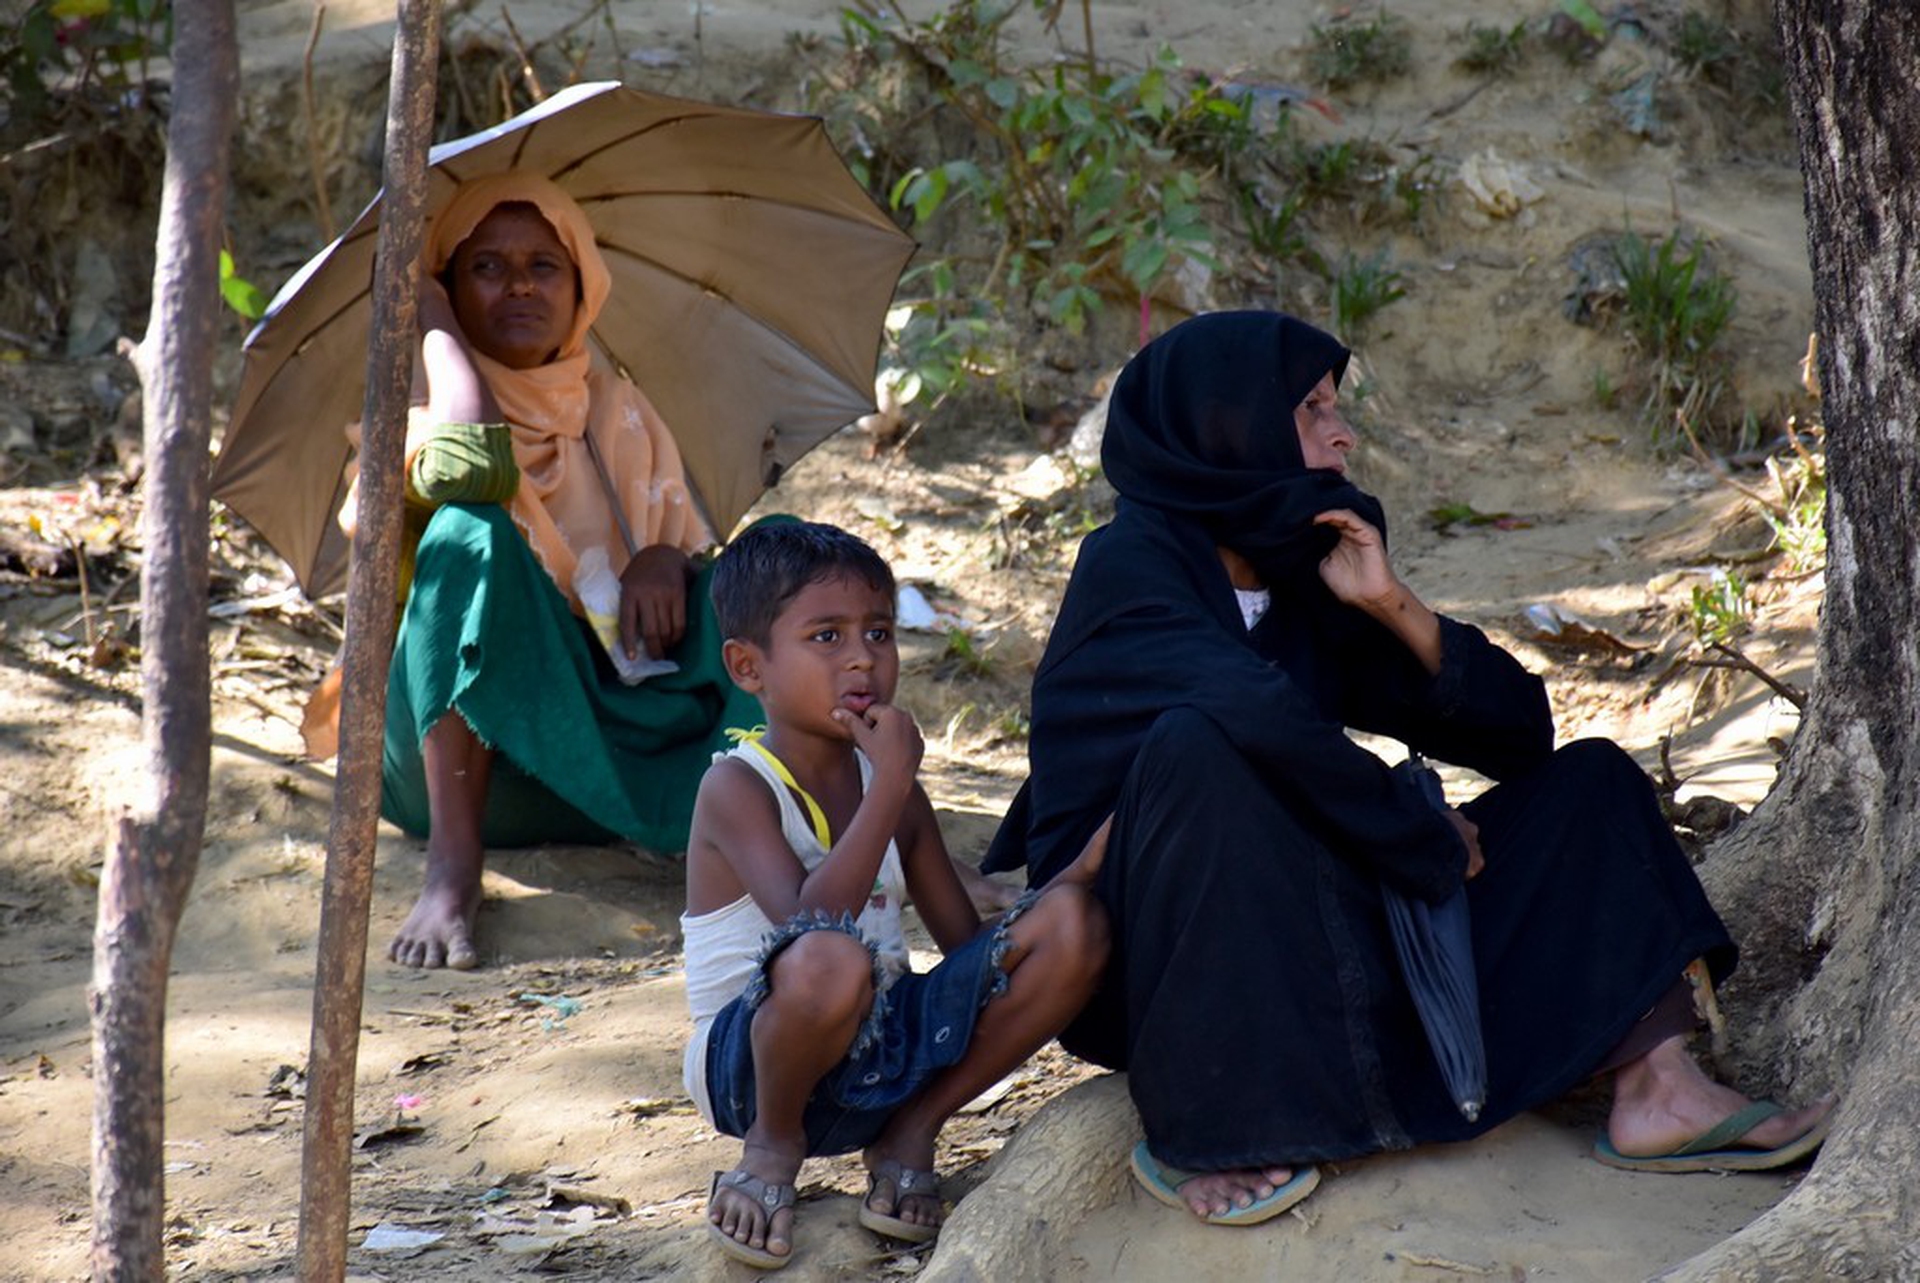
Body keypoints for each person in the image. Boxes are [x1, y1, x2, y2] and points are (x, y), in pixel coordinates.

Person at [982, 311, 1831, 1225]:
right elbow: (1252, 720)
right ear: (1226, 423)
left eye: (1335, 408)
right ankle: (1212, 1128)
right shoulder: (1132, 564)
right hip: (1163, 963)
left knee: (1590, 782)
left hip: (1307, 917)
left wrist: (1395, 606)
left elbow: (1519, 738)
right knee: (1200, 749)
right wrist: (1415, 829)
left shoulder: (1296, 570)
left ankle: (1657, 1083)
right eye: (1310, 408)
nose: (1342, 432)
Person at [684, 521, 1108, 1269]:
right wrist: (895, 787)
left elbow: (964, 951)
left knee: (1074, 925)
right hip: (754, 1066)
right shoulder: (737, 787)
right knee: (829, 957)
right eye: (826, 635)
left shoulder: (895, 790)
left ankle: (912, 1127)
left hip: (882, 1054)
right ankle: (771, 1149)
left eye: (879, 631)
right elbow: (808, 920)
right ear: (749, 666)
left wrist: (1066, 888)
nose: (862, 657)